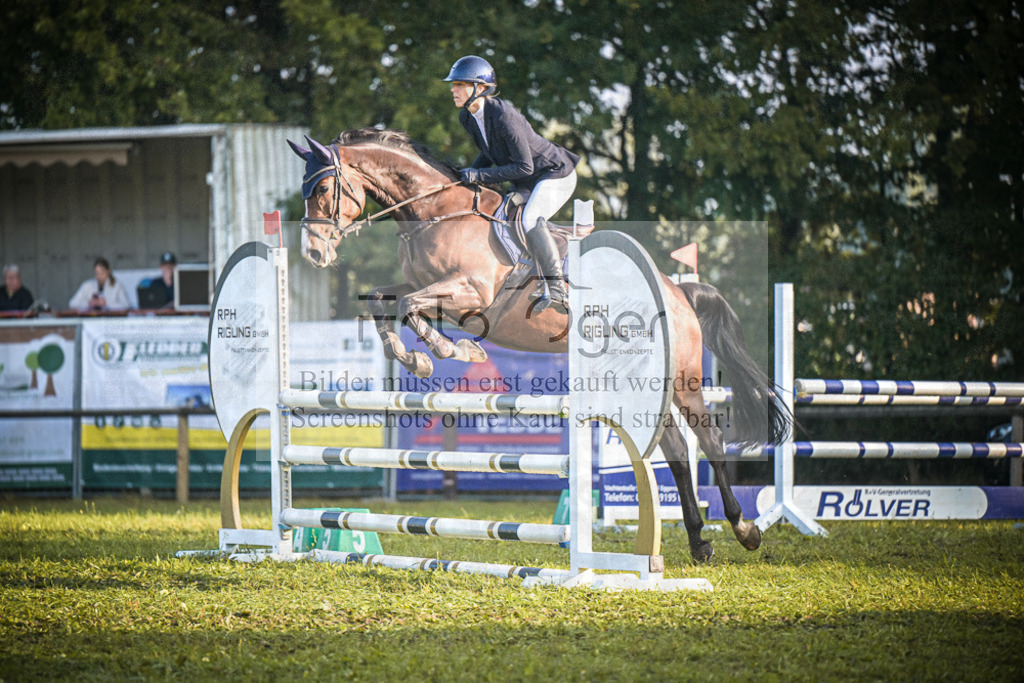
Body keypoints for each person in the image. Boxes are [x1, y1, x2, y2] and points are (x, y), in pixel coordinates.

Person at [443, 55, 580, 314]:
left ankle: (557, 289)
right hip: (527, 179)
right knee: (500, 216)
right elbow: (489, 152)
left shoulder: (505, 116)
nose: (453, 89)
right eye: (454, 84)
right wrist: (466, 176)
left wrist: (479, 176)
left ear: (480, 88)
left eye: (460, 84)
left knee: (530, 219)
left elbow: (525, 166)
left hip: (554, 173)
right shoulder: (468, 117)